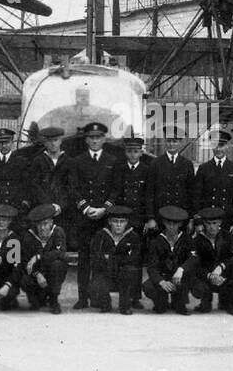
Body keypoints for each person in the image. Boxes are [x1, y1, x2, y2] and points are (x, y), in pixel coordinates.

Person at [64, 122, 119, 309]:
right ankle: (82, 297)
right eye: (91, 138)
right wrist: (86, 208)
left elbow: (115, 190)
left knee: (102, 259)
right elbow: (73, 189)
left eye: (98, 137)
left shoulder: (113, 161)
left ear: (104, 139)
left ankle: (101, 297)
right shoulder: (77, 161)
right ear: (86, 140)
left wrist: (104, 208)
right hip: (85, 217)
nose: (95, 141)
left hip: (104, 217)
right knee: (84, 258)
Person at [189, 207, 233, 316]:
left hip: (223, 276)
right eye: (208, 223)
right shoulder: (197, 240)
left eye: (214, 223)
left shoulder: (227, 236)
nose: (211, 227)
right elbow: (195, 264)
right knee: (193, 275)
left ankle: (230, 303)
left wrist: (222, 267)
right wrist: (209, 275)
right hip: (207, 277)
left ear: (220, 223)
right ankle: (205, 301)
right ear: (203, 223)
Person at [141, 205, 194, 315]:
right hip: (163, 276)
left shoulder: (187, 239)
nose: (171, 226)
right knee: (148, 288)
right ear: (164, 222)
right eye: (168, 223)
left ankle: (180, 302)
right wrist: (161, 281)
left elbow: (193, 259)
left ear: (180, 224)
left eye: (175, 223)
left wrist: (181, 269)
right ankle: (161, 301)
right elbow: (151, 266)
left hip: (179, 277)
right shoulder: (156, 241)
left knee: (189, 278)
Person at [90, 204, 142, 314]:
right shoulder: (101, 235)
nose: (118, 225)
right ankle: (105, 303)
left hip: (123, 274)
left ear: (127, 222)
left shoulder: (133, 236)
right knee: (97, 277)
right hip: (106, 272)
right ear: (109, 222)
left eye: (122, 221)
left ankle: (125, 305)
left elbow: (134, 258)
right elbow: (96, 257)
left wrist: (112, 260)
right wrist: (112, 261)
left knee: (130, 270)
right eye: (115, 221)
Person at [191, 130, 233, 232]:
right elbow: (196, 197)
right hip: (207, 219)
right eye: (215, 145)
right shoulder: (204, 168)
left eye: (221, 145)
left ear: (227, 146)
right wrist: (198, 221)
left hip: (227, 219)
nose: (218, 149)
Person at [19, 202, 68, 314]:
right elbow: (25, 261)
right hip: (36, 275)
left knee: (58, 264)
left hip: (52, 274)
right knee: (25, 281)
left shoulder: (58, 232)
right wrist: (37, 274)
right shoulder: (29, 236)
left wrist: (38, 256)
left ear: (51, 222)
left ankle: (54, 300)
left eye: (45, 224)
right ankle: (36, 299)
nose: (42, 228)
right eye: (39, 224)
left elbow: (60, 252)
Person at [147, 129, 195, 231]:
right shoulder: (156, 163)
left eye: (175, 141)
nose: (171, 144)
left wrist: (191, 218)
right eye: (168, 140)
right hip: (160, 216)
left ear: (180, 143)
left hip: (181, 216)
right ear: (165, 141)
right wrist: (150, 218)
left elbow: (191, 194)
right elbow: (149, 192)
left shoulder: (187, 164)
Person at [0, 127, 30, 223]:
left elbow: (26, 186)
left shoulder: (22, 162)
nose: (4, 146)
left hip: (13, 209)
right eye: (0, 143)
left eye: (6, 142)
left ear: (12, 142)